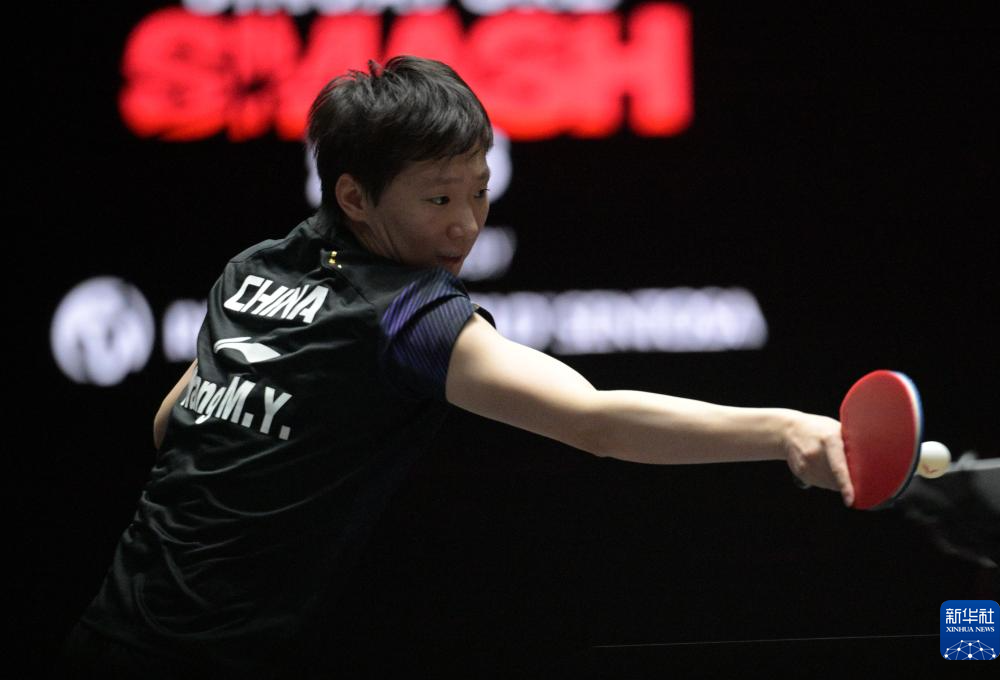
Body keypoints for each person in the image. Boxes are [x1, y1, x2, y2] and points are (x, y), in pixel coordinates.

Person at [54, 55, 853, 679]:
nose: (467, 225)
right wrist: (784, 430)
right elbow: (596, 421)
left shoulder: (253, 268)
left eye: (479, 191)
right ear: (355, 197)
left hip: (106, 630)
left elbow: (170, 425)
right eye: (438, 200)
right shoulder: (405, 315)